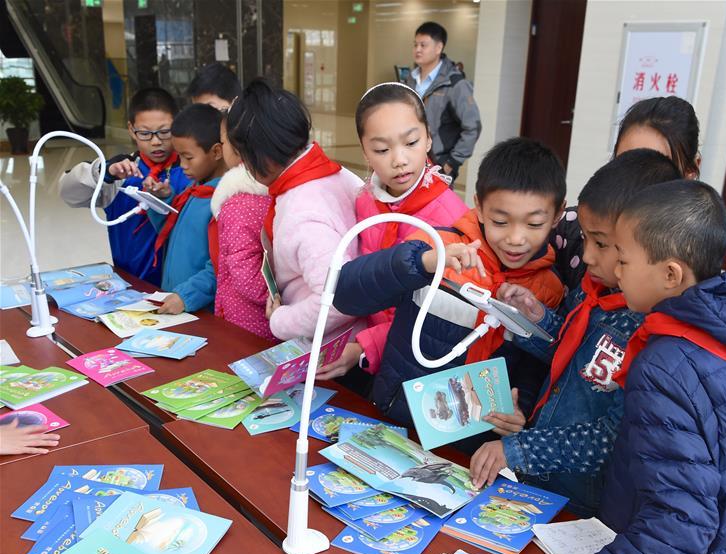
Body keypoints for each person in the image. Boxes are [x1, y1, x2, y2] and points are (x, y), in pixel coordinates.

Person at [542, 180, 726, 554]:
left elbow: (680, 519)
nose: (616, 271)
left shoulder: (665, 365)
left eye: (624, 259)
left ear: (671, 274)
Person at [468, 150, 681, 517]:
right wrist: (536, 318)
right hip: (541, 481)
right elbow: (572, 354)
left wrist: (519, 449)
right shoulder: (592, 289)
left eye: (601, 244)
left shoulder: (650, 332)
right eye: (584, 239)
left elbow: (609, 438)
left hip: (585, 500)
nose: (588, 255)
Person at [332, 137, 565, 443]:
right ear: (479, 207)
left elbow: (533, 369)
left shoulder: (549, 290)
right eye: (500, 221)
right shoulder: (438, 246)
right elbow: (346, 293)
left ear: (558, 215)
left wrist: (520, 406)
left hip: (469, 444)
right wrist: (422, 262)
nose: (516, 238)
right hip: (395, 419)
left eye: (534, 224)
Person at [318, 82, 468, 383]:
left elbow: (435, 319)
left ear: (428, 139)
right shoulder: (366, 201)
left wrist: (364, 346)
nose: (399, 160)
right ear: (364, 152)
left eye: (411, 143)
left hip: (415, 362)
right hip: (368, 347)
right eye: (382, 149)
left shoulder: (450, 217)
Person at [226, 78, 364, 342]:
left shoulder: (302, 213)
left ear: (260, 154)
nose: (244, 165)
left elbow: (337, 300)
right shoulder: (336, 174)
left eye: (243, 156)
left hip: (332, 350)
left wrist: (281, 320)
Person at [554, 96, 700, 292]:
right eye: (626, 161)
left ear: (690, 173)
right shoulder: (568, 228)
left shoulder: (689, 272)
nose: (635, 177)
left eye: (655, 165)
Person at [58, 87, 189, 286]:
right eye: (145, 133)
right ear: (131, 129)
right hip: (130, 286)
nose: (155, 142)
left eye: (164, 132)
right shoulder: (120, 172)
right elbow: (68, 194)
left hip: (182, 288)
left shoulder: (191, 170)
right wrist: (104, 173)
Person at [143, 104, 226, 314]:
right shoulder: (195, 188)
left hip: (199, 308)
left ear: (217, 151)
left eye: (188, 157)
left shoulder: (224, 200)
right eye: (179, 156)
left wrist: (186, 295)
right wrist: (162, 200)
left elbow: (221, 265)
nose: (182, 165)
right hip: (177, 302)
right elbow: (174, 232)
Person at [209, 112, 275, 340]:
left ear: (238, 148)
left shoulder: (237, 204)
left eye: (223, 141)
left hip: (245, 318)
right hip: (269, 316)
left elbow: (243, 268)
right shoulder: (272, 194)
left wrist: (272, 296)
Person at [404, 21, 481, 183]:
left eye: (423, 45)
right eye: (415, 44)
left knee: (436, 206)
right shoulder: (410, 79)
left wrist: (451, 163)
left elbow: (473, 126)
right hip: (409, 159)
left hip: (439, 163)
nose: (417, 49)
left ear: (438, 48)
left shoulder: (454, 83)